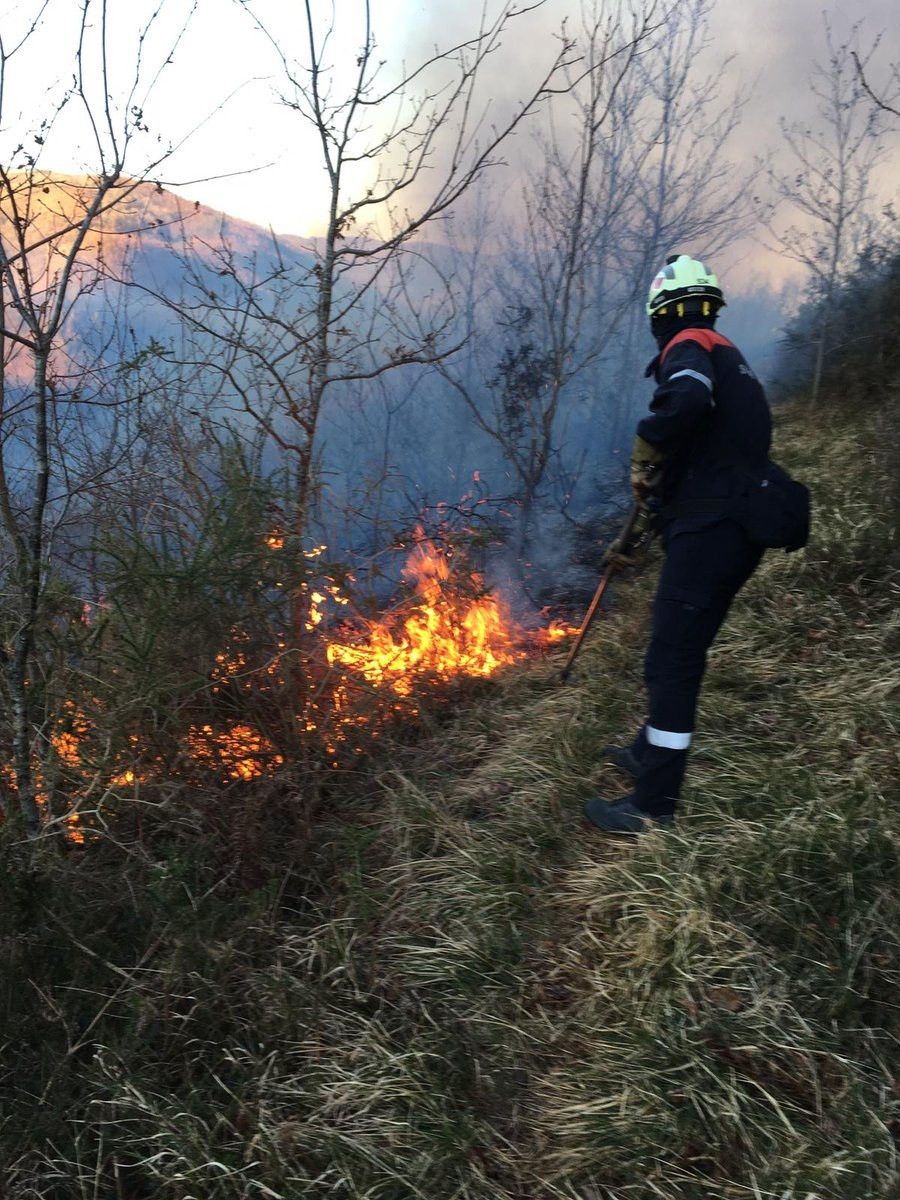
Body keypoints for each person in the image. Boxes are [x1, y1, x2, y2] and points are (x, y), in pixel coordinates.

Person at [584, 253, 773, 835]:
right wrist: (647, 518)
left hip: (716, 531)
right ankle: (647, 753)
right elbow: (704, 456)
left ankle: (653, 806)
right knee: (676, 650)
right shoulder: (728, 356)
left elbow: (684, 403)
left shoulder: (688, 348)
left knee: (672, 660)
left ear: (660, 312)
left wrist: (647, 443)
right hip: (733, 527)